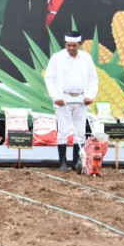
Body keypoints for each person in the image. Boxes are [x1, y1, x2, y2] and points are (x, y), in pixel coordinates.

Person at [44, 31, 98, 171]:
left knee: (80, 132)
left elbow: (93, 78)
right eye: (69, 45)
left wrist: (90, 96)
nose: (71, 48)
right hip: (63, 99)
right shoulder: (57, 58)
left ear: (80, 44)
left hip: (81, 99)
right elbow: (49, 79)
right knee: (63, 131)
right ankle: (62, 162)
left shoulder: (86, 58)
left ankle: (76, 161)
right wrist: (56, 97)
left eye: (74, 45)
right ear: (65, 44)